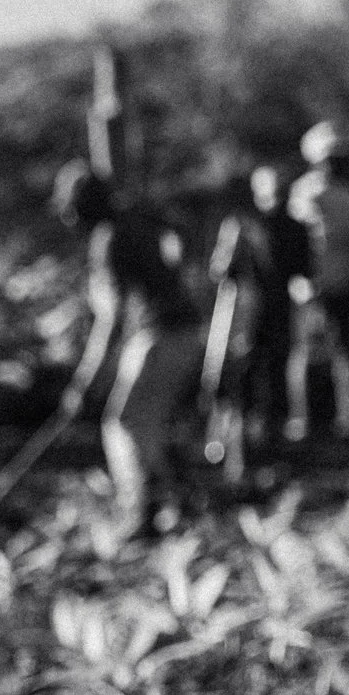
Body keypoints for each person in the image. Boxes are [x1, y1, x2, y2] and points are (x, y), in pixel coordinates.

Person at [52, 161, 206, 542]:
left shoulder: (109, 239)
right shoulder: (132, 224)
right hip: (178, 332)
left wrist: (85, 382)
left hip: (162, 334)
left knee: (124, 423)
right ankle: (175, 502)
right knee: (146, 423)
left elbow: (111, 319)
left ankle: (140, 514)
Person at [207, 164, 311, 448]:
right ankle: (240, 439)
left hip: (266, 312)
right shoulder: (243, 226)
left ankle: (263, 437)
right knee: (248, 374)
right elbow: (222, 271)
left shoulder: (284, 226)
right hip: (249, 314)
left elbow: (303, 269)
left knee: (262, 373)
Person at [287, 120, 349, 440]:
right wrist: (300, 280)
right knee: (305, 354)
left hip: (343, 286)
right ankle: (302, 421)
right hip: (311, 289)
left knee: (345, 354)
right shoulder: (305, 193)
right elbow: (293, 242)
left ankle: (347, 420)